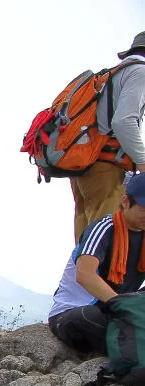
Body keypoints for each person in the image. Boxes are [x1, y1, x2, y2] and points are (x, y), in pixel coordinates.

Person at [49, 174, 145, 353]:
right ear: (125, 201)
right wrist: (125, 306)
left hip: (118, 313)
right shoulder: (103, 228)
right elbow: (85, 275)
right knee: (85, 319)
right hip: (79, 310)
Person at [70, 32, 145, 242]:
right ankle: (91, 275)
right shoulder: (140, 73)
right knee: (103, 239)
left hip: (86, 163)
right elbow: (123, 122)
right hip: (107, 166)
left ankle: (80, 274)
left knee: (86, 238)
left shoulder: (114, 73)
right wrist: (142, 162)